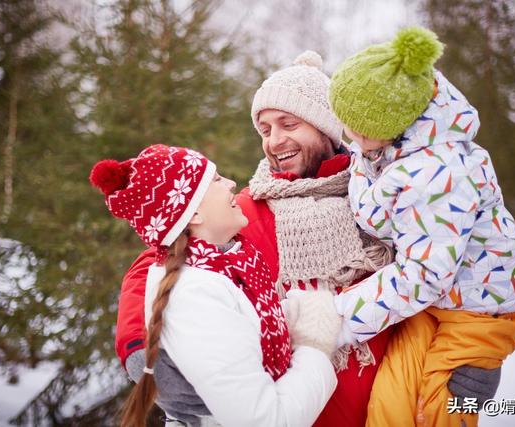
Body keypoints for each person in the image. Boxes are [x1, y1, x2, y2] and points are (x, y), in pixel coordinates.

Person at [114, 51, 503, 427]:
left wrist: (480, 354)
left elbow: (467, 263)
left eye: (288, 124)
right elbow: (156, 264)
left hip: (394, 399)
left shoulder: (387, 196)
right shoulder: (246, 211)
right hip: (296, 409)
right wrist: (140, 348)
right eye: (265, 130)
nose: (274, 140)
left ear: (327, 126)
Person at [289, 27, 515, 427]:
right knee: (390, 404)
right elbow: (375, 196)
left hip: (478, 311)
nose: (352, 137)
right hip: (437, 303)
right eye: (346, 124)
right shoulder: (385, 143)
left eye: (362, 130)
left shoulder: (440, 175)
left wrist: (336, 316)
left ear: (396, 122)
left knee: (431, 412)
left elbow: (423, 276)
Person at [90, 144, 341, 427]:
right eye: (217, 180)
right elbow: (267, 421)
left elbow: (244, 327)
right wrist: (315, 347)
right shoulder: (195, 297)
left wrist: (299, 310)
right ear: (193, 214)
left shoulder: (222, 266)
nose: (232, 183)